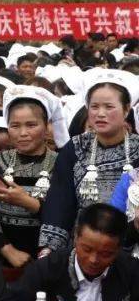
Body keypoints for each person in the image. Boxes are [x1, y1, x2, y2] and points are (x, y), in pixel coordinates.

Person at [40, 70, 139, 252]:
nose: (100, 113)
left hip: (130, 247)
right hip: (82, 248)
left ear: (126, 110)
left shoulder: (137, 149)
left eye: (109, 107)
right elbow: (60, 201)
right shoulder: (76, 147)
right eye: (94, 107)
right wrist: (49, 249)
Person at [3, 204, 139, 301]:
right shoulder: (50, 265)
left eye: (106, 254)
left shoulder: (130, 268)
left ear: (118, 249)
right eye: (87, 249)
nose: (93, 260)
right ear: (75, 238)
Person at [0, 86, 66, 269]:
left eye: (31, 125)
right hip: (1, 260)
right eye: (15, 126)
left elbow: (65, 214)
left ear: (46, 127)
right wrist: (7, 250)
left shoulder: (62, 165)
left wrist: (30, 203)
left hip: (49, 260)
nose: (23, 133)